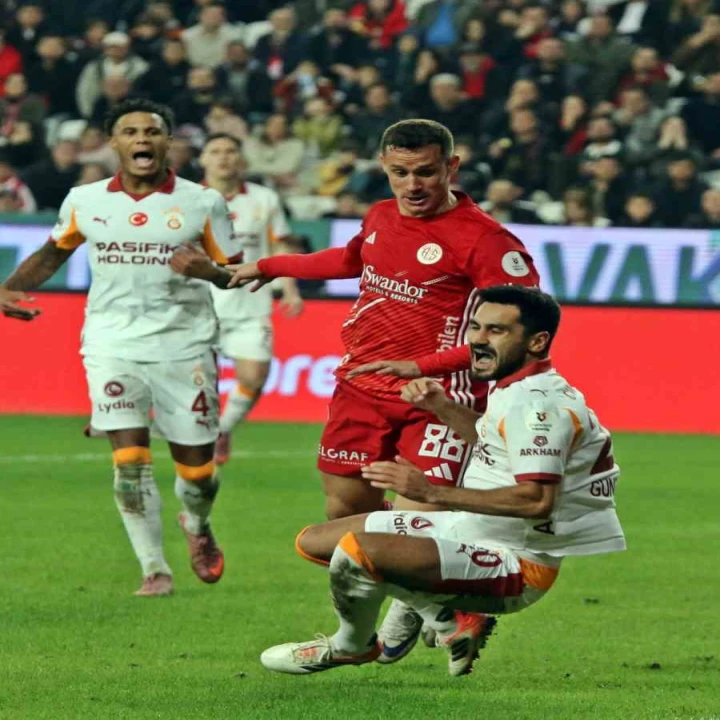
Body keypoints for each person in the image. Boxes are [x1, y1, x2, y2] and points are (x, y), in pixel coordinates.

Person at [228, 118, 540, 659]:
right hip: (361, 386)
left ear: (451, 167)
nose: (412, 185)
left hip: (438, 395)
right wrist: (271, 266)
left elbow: (516, 328)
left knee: (419, 518)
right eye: (400, 172)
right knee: (344, 513)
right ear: (384, 167)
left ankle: (408, 624)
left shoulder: (486, 240)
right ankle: (435, 611)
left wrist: (423, 366)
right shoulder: (379, 215)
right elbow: (350, 260)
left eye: (426, 172)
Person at [259, 286, 625, 677]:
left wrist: (429, 492)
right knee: (315, 542)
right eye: (475, 327)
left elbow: (537, 501)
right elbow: (493, 440)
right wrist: (440, 406)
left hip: (516, 564)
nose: (478, 340)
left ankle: (351, 645)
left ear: (536, 341)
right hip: (469, 530)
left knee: (358, 552)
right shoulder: (516, 386)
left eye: (496, 330)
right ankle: (451, 619)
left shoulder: (538, 406)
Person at [0, 99, 242, 597]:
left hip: (185, 345)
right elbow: (52, 252)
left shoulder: (203, 202)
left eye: (152, 132)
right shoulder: (84, 200)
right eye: (130, 132)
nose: (141, 140)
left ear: (167, 142)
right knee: (129, 464)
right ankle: (154, 568)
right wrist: (9, 287)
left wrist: (210, 272)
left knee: (198, 473)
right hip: (111, 343)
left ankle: (196, 523)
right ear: (114, 143)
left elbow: (237, 273)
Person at [199, 134, 305, 465]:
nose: (223, 157)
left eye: (231, 151)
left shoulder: (264, 198)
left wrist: (290, 289)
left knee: (254, 377)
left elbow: (279, 246)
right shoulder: (188, 198)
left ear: (241, 159)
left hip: (249, 305)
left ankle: (222, 429)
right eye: (216, 151)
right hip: (198, 307)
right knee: (194, 383)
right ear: (203, 159)